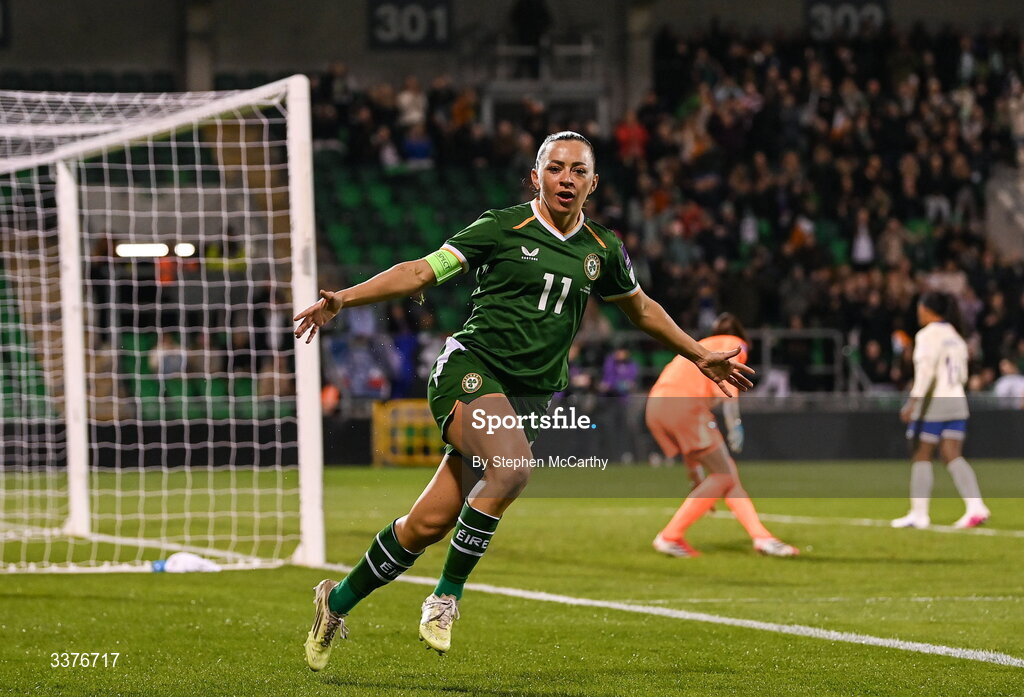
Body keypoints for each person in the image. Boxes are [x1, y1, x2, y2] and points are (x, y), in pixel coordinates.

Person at [293, 131, 754, 670]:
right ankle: (445, 598)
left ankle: (335, 601)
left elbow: (642, 308)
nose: (566, 178)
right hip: (471, 370)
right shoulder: (499, 227)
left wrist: (699, 353)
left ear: (593, 183)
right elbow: (422, 270)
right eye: (555, 168)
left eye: (578, 171)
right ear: (536, 176)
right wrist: (343, 298)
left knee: (426, 525)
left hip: (526, 399)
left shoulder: (601, 249)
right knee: (512, 469)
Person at [645, 313, 798, 558]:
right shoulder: (734, 344)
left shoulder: (699, 345)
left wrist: (695, 476)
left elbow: (690, 443)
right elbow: (729, 382)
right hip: (685, 407)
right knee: (724, 474)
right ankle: (670, 536)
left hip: (656, 406)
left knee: (727, 475)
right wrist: (735, 423)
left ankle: (761, 537)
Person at [892, 292, 990, 530]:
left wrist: (913, 401)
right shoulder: (955, 336)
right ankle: (976, 507)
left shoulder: (927, 335)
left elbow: (925, 372)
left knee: (921, 454)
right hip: (957, 399)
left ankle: (919, 514)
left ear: (926, 310)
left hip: (934, 402)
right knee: (951, 454)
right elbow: (964, 374)